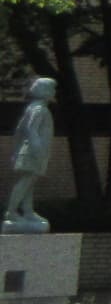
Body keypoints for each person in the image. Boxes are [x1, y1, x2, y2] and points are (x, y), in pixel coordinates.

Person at [5, 76, 56, 234]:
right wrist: (38, 149)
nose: (54, 92)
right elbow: (31, 129)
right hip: (33, 152)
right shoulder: (39, 109)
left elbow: (20, 130)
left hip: (29, 151)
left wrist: (16, 150)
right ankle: (11, 212)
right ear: (46, 91)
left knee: (30, 182)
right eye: (52, 89)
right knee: (26, 181)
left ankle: (27, 210)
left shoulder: (33, 107)